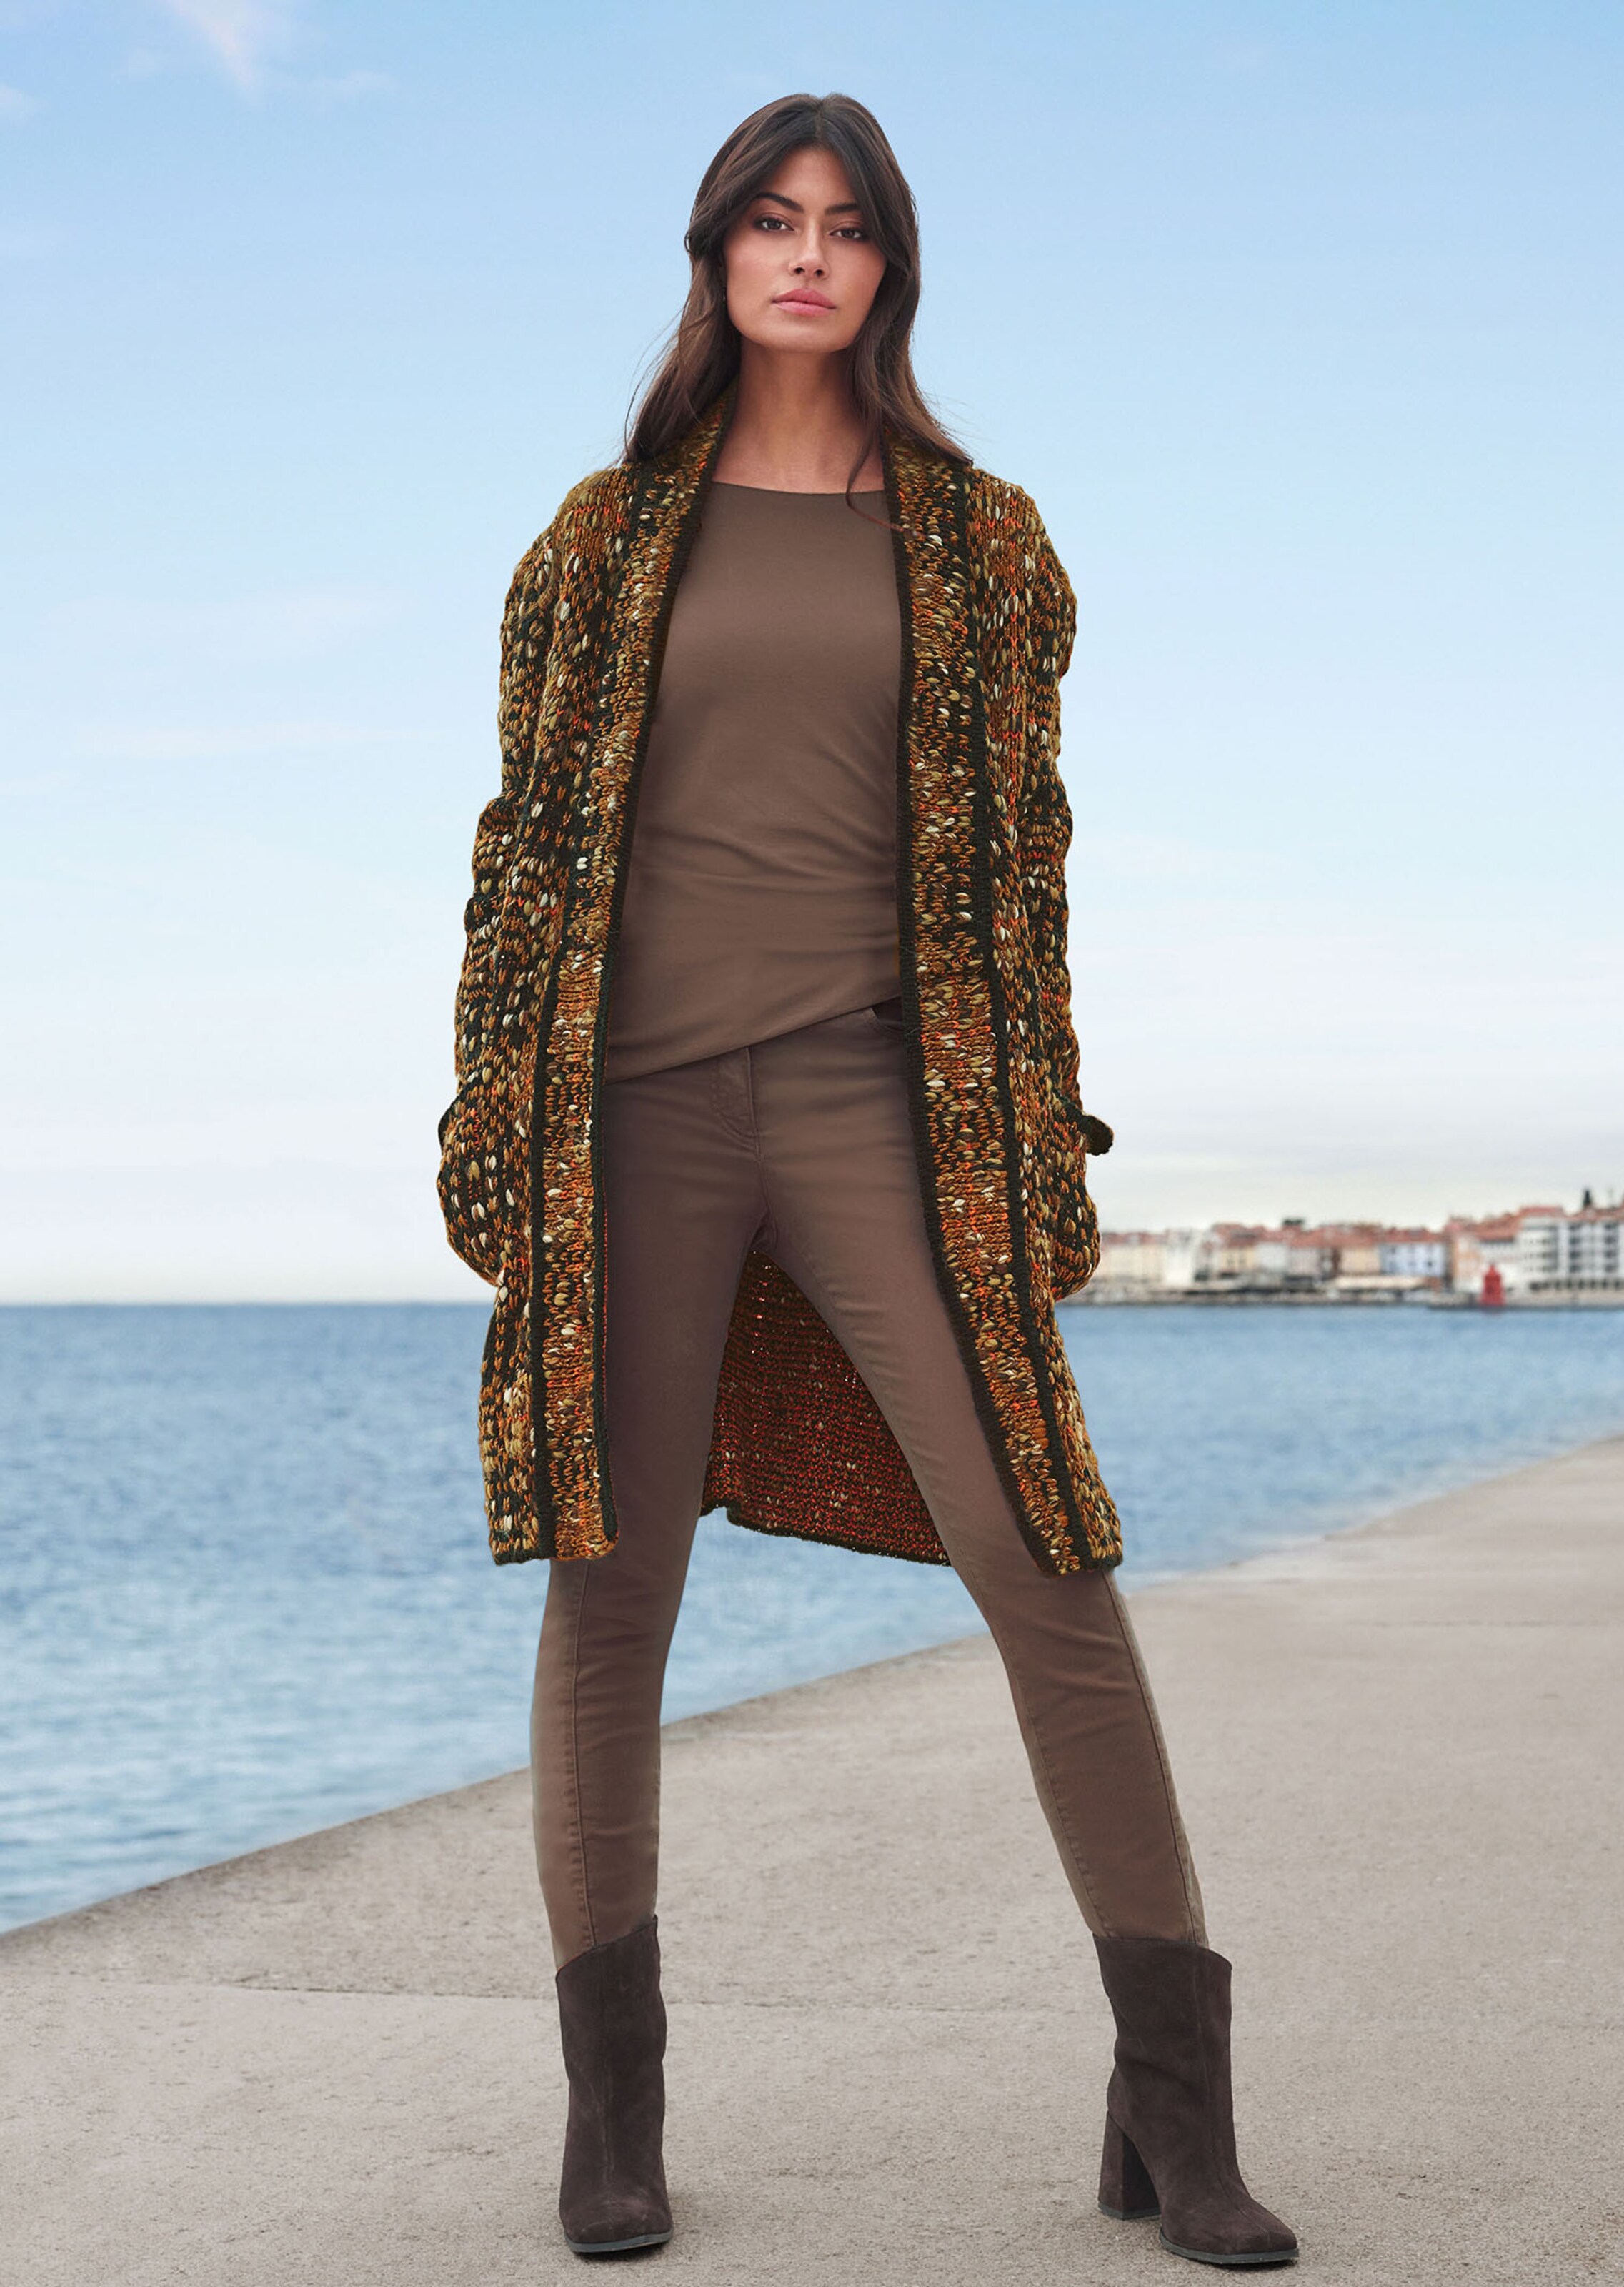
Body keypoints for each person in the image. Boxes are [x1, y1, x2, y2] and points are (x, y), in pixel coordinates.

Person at [437, 91, 1297, 2271]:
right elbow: (521, 849)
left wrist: (1042, 1135)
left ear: (890, 264)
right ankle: (612, 2119)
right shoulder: (600, 540)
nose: (805, 256)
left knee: (1041, 1558)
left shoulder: (981, 540)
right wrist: (483, 1117)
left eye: (843, 225)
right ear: (716, 256)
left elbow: (1027, 867)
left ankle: (1173, 2107)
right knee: (610, 1591)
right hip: (628, 1114)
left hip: (882, 1109)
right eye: (768, 221)